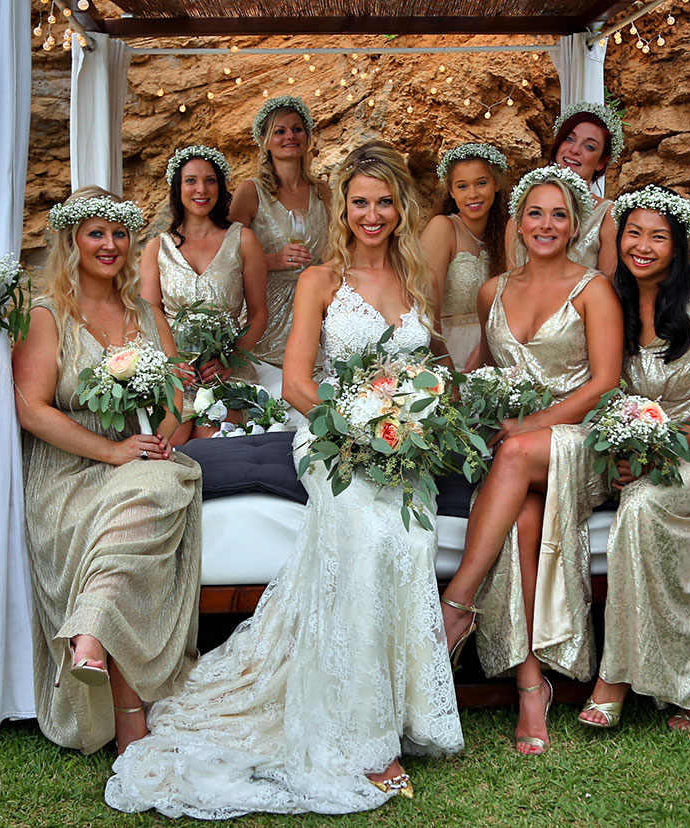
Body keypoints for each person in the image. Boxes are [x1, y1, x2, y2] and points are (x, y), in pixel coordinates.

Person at [106, 144, 462, 818]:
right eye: (360, 201)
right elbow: (297, 382)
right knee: (361, 525)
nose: (372, 214)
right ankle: (364, 739)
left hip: (403, 448)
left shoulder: (420, 279)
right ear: (344, 208)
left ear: (401, 208)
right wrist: (354, 428)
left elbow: (434, 364)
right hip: (330, 436)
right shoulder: (321, 281)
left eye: (384, 201)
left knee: (407, 541)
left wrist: (428, 416)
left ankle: (410, 710)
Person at [12, 187, 203, 756]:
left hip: (140, 462)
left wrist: (161, 442)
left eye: (119, 234)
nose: (110, 245)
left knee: (160, 483)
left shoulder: (145, 313)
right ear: (72, 241)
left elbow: (175, 400)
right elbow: (31, 408)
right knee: (140, 502)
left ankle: (91, 635)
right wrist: (113, 452)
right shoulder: (45, 315)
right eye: (97, 233)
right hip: (69, 472)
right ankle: (126, 709)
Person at [441, 166, 623, 756]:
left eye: (559, 215)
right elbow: (487, 373)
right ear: (517, 222)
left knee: (516, 451)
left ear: (574, 227)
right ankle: (529, 687)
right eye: (535, 214)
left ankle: (457, 604)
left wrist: (530, 425)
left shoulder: (593, 288)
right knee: (521, 523)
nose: (546, 225)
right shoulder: (492, 290)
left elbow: (605, 381)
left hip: (580, 438)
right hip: (519, 450)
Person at [577, 187, 690, 734]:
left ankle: (630, 680)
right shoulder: (608, 296)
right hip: (643, 445)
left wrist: (658, 457)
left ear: (678, 245)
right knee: (634, 506)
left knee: (643, 507)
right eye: (634, 233)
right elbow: (610, 395)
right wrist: (626, 454)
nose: (643, 246)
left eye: (658, 236)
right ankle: (635, 673)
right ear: (617, 236)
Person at [140, 144, 268, 435]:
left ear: (220, 187)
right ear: (177, 188)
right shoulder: (157, 248)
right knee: (175, 442)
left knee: (214, 437)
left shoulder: (243, 240)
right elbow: (149, 316)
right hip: (176, 374)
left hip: (227, 372)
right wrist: (171, 365)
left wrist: (231, 359)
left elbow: (259, 314)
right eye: (191, 180)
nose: (202, 189)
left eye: (210, 180)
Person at [229, 95, 331, 401]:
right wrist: (271, 259)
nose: (290, 136)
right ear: (264, 142)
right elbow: (227, 255)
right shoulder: (251, 192)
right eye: (280, 131)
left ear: (308, 137)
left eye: (297, 129)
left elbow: (340, 245)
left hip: (314, 306)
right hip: (269, 310)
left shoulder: (322, 191)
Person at [504, 101, 625, 275]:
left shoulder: (606, 216)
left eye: (589, 146)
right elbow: (510, 284)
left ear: (601, 162)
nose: (574, 149)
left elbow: (608, 287)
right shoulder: (522, 213)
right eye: (569, 138)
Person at [420, 142, 509, 369]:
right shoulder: (443, 228)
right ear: (451, 191)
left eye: (481, 183)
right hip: (448, 349)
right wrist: (443, 360)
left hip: (496, 349)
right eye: (462, 186)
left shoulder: (507, 231)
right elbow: (425, 304)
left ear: (496, 183)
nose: (473, 194)